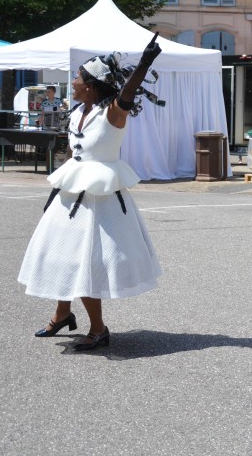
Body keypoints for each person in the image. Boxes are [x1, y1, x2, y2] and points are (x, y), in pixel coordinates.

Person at [17, 36, 165, 351]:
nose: (72, 81)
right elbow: (74, 155)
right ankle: (62, 313)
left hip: (101, 200)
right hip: (71, 194)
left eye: (78, 77)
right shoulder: (76, 113)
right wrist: (57, 189)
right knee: (63, 254)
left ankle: (98, 329)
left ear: (92, 85)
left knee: (86, 261)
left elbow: (127, 95)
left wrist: (144, 65)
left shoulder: (112, 113)